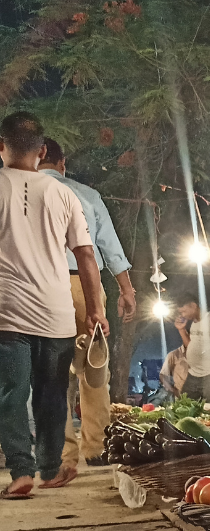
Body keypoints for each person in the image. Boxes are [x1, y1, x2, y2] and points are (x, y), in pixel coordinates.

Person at [0, 111, 108, 498]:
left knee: (11, 394)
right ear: (43, 151)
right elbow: (86, 255)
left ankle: (21, 470)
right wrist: (95, 310)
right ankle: (49, 467)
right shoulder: (65, 194)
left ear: (1, 147)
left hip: (7, 313)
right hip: (56, 313)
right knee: (52, 393)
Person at [39, 138, 137, 478]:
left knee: (50, 373)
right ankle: (96, 447)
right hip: (86, 285)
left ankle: (62, 453)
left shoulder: (19, 194)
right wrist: (126, 290)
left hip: (41, 287)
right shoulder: (87, 195)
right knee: (94, 369)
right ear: (62, 163)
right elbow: (110, 247)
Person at [174, 291, 210, 403]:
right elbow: (190, 345)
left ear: (193, 305)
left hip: (208, 375)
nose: (183, 315)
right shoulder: (194, 323)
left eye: (184, 311)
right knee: (184, 405)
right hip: (193, 374)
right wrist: (181, 329)